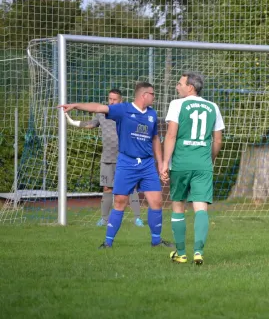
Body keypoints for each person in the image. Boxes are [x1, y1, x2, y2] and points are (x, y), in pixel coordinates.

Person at [59, 82, 173, 249]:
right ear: (144, 95)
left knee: (156, 201)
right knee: (119, 201)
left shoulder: (152, 114)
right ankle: (108, 242)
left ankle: (156, 241)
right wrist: (76, 105)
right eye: (152, 94)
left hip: (147, 164)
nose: (154, 97)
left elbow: (155, 139)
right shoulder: (123, 109)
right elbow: (98, 108)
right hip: (127, 162)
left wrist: (162, 163)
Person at [160, 72, 224, 265]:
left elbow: (171, 136)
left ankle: (181, 253)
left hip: (181, 163)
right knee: (201, 207)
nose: (177, 87)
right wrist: (209, 159)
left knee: (178, 204)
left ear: (190, 87)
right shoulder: (213, 107)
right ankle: (198, 251)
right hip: (203, 164)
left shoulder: (177, 104)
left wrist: (164, 163)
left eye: (180, 84)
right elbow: (218, 140)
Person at [63, 89, 144, 227]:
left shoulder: (126, 113)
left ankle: (137, 218)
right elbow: (90, 125)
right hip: (107, 158)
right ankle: (104, 219)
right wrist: (71, 121)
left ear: (121, 100)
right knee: (107, 188)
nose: (112, 102)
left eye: (115, 99)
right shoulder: (101, 114)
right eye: (110, 99)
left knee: (131, 188)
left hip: (125, 157)